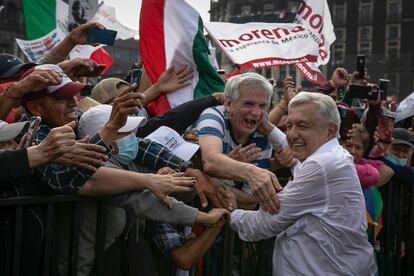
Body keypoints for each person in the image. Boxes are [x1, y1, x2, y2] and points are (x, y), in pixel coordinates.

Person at [230, 92, 377, 275]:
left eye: (302, 126)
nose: (292, 134)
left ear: (330, 130)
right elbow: (295, 154)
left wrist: (227, 212)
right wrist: (268, 128)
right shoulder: (330, 155)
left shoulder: (321, 165)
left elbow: (264, 224)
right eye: (289, 125)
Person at [195, 72, 283, 213]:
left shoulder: (262, 135)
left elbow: (250, 201)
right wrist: (249, 171)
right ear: (229, 104)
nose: (256, 113)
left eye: (262, 106)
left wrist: (209, 180)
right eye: (249, 104)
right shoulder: (213, 116)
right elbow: (211, 160)